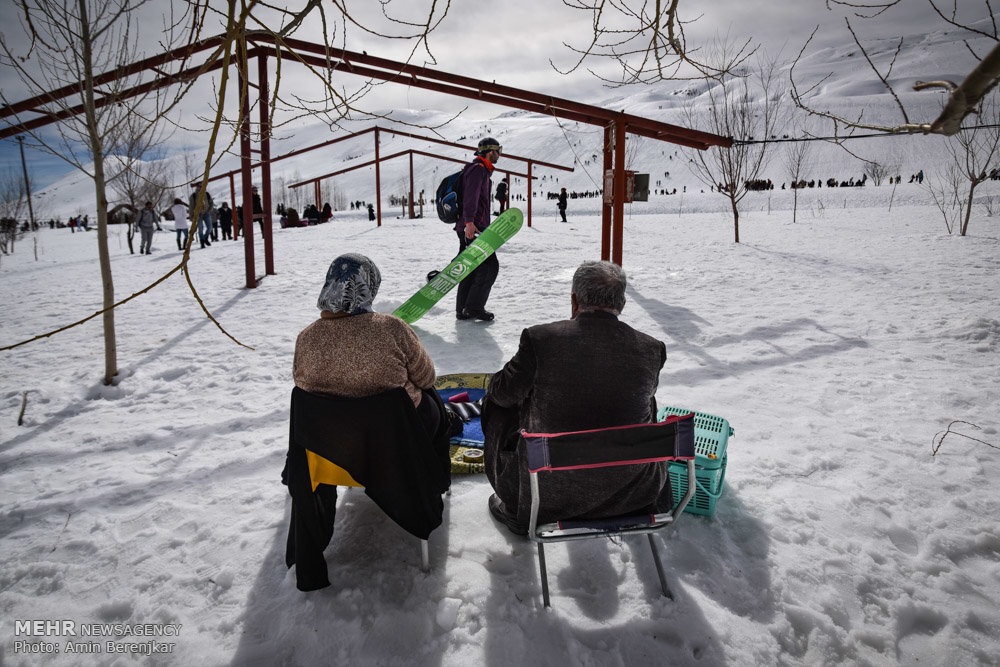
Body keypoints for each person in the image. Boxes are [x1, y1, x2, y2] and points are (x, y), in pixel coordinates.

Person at [482, 260, 670, 536]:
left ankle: (516, 502)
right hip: (633, 494)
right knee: (643, 403)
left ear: (574, 300)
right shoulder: (651, 349)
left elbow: (501, 392)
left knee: (496, 404)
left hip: (546, 495)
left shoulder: (541, 339)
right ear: (622, 304)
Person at [293, 253, 451, 443]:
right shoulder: (392, 328)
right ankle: (436, 452)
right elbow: (426, 378)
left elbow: (302, 385)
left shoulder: (306, 337)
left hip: (331, 441)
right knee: (430, 394)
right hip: (397, 434)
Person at [454, 137, 502, 321]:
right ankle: (473, 307)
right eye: (498, 151)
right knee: (490, 266)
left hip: (472, 226)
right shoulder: (477, 170)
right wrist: (469, 223)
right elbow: (470, 197)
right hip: (473, 227)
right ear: (490, 152)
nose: (499, 155)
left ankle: (463, 309)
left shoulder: (482, 171)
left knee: (470, 268)